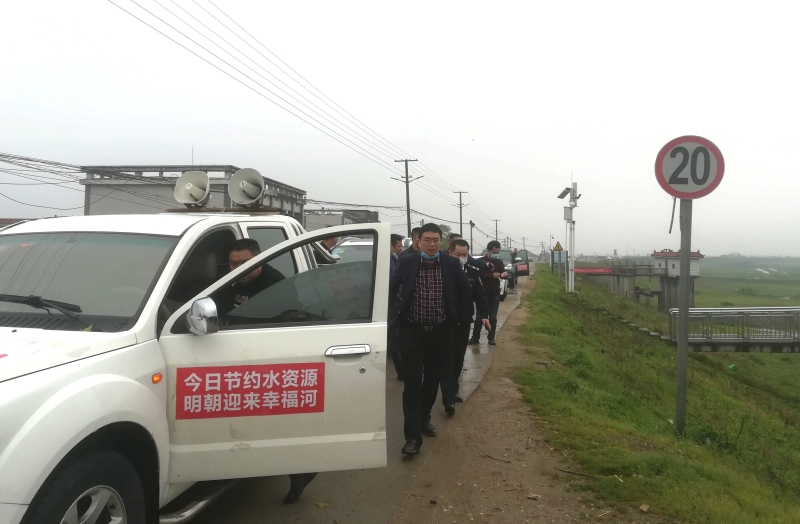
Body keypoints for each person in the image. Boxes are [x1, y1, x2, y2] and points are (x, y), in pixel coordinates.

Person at [218, 239, 317, 504]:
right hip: (233, 356)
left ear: (259, 260)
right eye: (233, 263)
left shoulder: (278, 285)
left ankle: (301, 471)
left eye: (245, 263)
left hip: (267, 360)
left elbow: (287, 325)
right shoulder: (228, 281)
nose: (238, 268)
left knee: (277, 423)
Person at [390, 223, 470, 455]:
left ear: (441, 242)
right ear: (419, 241)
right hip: (412, 332)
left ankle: (424, 417)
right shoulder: (407, 262)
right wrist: (394, 320)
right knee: (412, 383)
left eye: (436, 240)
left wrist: (459, 321)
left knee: (432, 380)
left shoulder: (451, 264)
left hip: (440, 333)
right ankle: (412, 437)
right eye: (427, 240)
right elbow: (391, 289)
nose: (432, 244)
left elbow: (465, 290)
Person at [444, 239, 490, 408]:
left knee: (459, 356)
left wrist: (484, 315)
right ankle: (448, 396)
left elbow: (480, 295)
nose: (461, 258)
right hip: (445, 321)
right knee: (447, 358)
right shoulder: (442, 270)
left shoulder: (472, 271)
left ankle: (453, 389)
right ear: (450, 253)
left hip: (464, 320)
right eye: (458, 255)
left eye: (464, 255)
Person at [470, 240, 507, 346]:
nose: (496, 254)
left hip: (495, 292)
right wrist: (493, 275)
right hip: (482, 293)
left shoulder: (499, 262)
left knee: (493, 317)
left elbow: (503, 274)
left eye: (497, 252)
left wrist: (503, 275)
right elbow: (480, 274)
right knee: (479, 316)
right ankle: (475, 337)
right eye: (494, 252)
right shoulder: (481, 261)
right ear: (488, 251)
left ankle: (491, 338)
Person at [388, 233, 404, 380]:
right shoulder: (386, 262)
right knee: (393, 338)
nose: (401, 248)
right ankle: (401, 371)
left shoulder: (394, 260)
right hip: (390, 305)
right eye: (399, 246)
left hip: (395, 304)